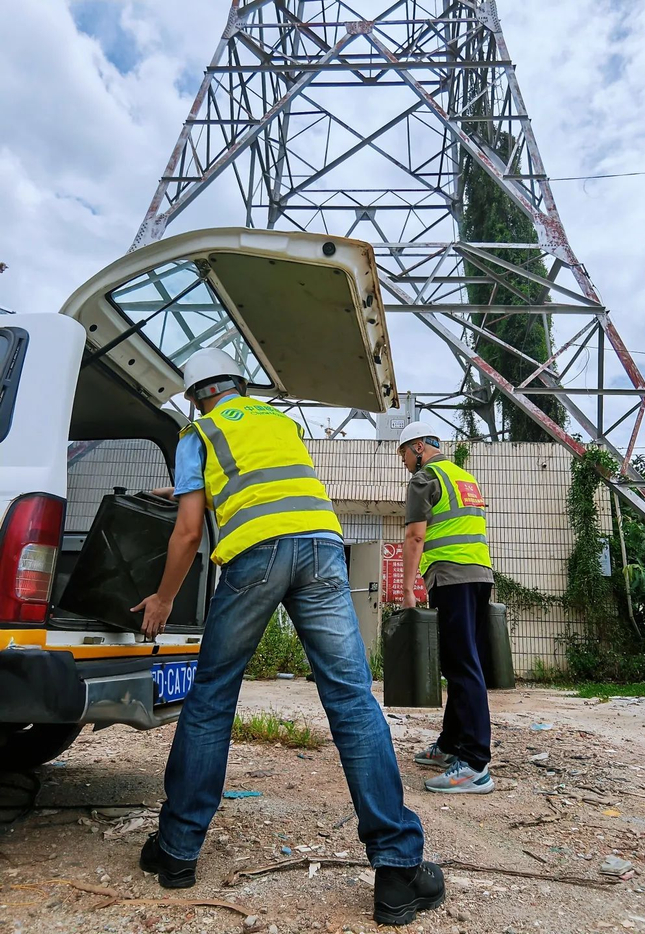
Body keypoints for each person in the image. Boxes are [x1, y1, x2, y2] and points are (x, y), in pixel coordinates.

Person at [133, 348, 445, 925]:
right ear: (238, 385)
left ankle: (176, 852)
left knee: (211, 700)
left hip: (255, 555)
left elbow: (189, 530)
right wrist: (178, 492)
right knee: (352, 701)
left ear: (196, 395)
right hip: (323, 548)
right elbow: (267, 487)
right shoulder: (278, 422)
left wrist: (164, 597)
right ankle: (398, 872)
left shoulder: (198, 433)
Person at [398, 421, 495, 795]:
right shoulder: (463, 477)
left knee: (461, 665)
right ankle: (450, 744)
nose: (404, 462)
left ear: (418, 447)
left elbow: (415, 536)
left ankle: (474, 764)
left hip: (451, 577)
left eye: (404, 454)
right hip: (479, 575)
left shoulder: (424, 478)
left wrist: (408, 589)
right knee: (462, 662)